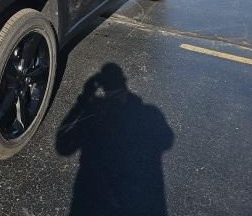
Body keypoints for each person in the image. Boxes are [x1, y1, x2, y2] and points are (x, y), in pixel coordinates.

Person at [56, 63, 174, 216]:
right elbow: (167, 140)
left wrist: (84, 98)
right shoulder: (151, 112)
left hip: (94, 188)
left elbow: (64, 147)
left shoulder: (96, 107)